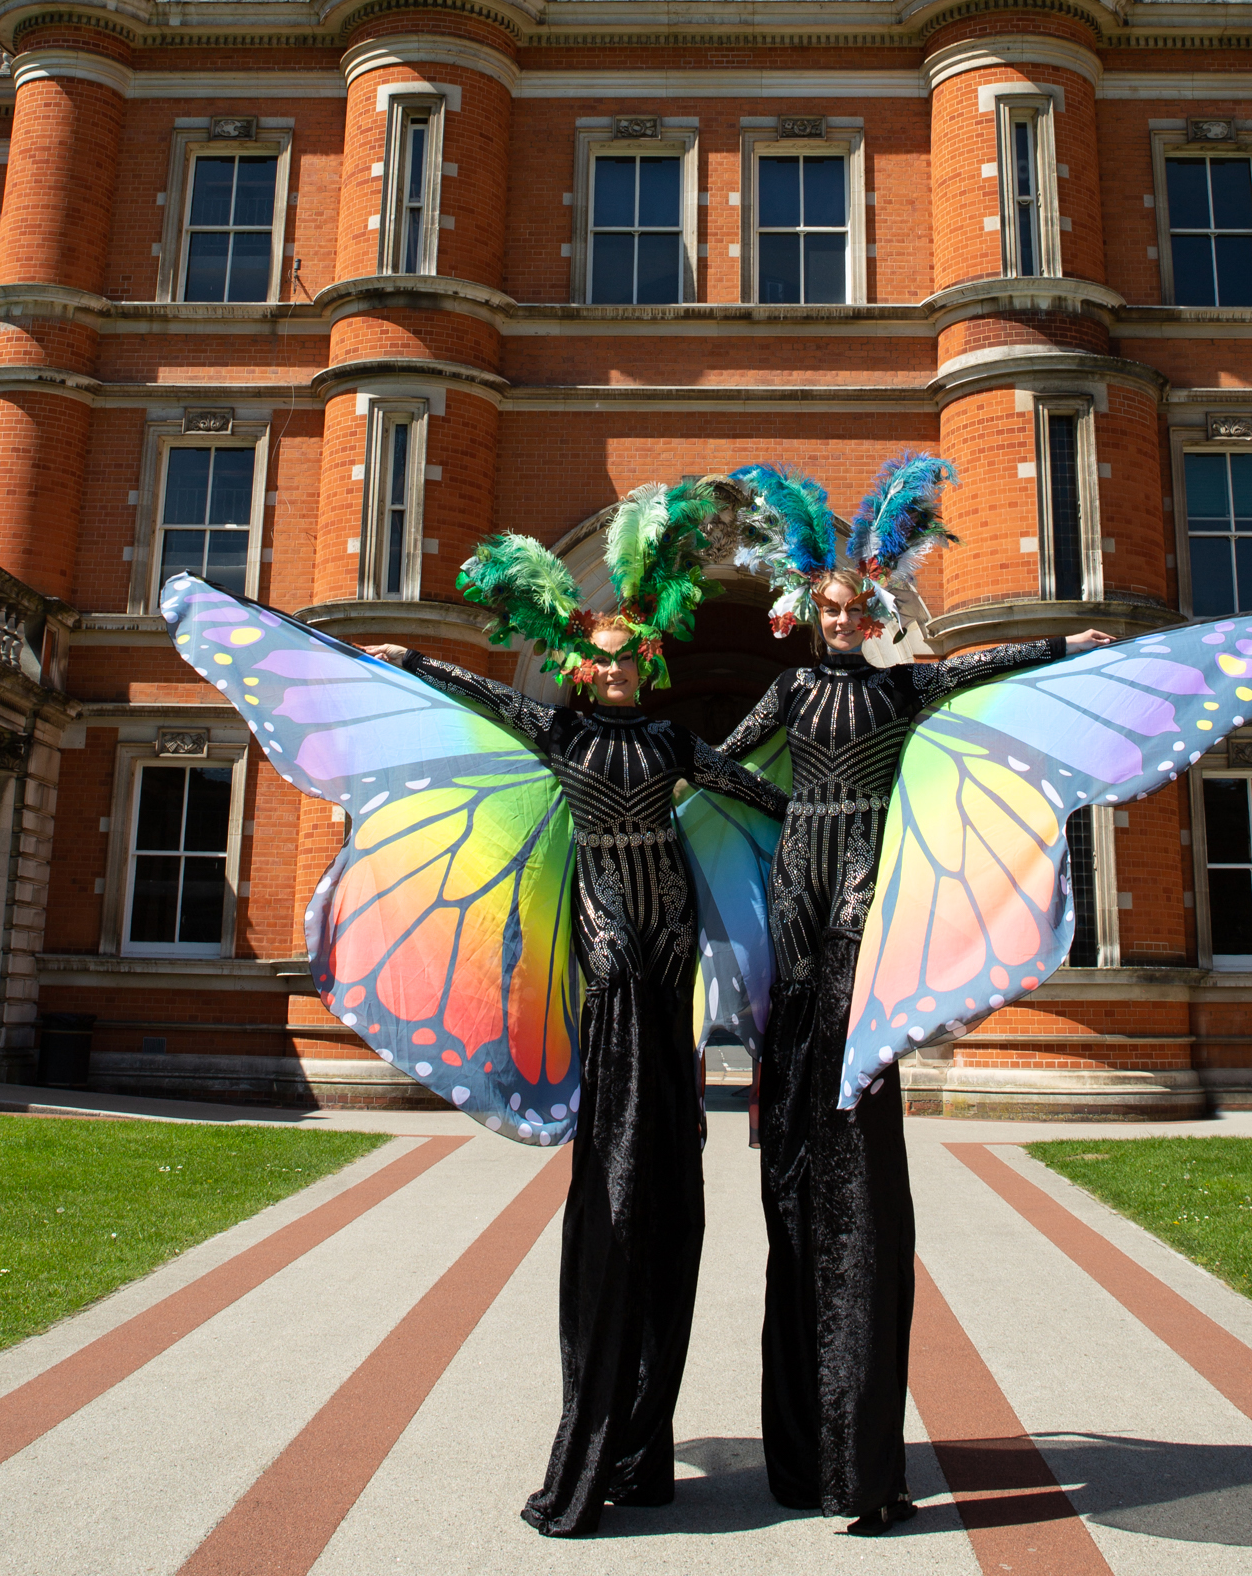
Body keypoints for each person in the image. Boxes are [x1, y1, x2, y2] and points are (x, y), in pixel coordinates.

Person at [721, 457, 1110, 1535]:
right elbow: (734, 760)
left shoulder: (902, 685)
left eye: (860, 608)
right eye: (832, 608)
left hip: (867, 875)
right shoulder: (793, 689)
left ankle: (850, 1081)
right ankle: (802, 1095)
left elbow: (981, 674)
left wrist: (1062, 647)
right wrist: (676, 773)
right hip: (800, 869)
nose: (844, 621)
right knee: (800, 1014)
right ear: (808, 611)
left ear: (878, 609)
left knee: (853, 1020)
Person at [394, 482, 786, 1538]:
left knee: (669, 1157)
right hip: (610, 961)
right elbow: (481, 700)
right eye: (600, 657)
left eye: (627, 656)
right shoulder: (559, 735)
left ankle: (644, 1437)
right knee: (617, 1171)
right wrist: (407, 661)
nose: (614, 669)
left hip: (672, 966)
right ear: (580, 663)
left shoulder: (665, 746)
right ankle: (599, 1439)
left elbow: (757, 793)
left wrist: (851, 801)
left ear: (645, 661)